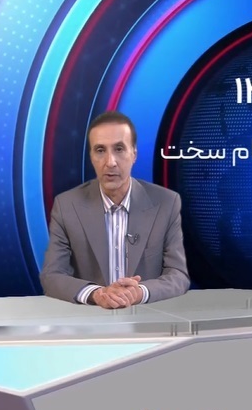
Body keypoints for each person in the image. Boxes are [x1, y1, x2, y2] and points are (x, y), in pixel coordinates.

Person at [40, 111, 190, 309]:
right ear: (91, 156)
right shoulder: (67, 206)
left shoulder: (166, 203)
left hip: (148, 319)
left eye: (119, 149)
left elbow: (178, 275)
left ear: (134, 154)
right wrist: (97, 294)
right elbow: (51, 276)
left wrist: (139, 292)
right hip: (93, 321)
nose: (110, 162)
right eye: (100, 150)